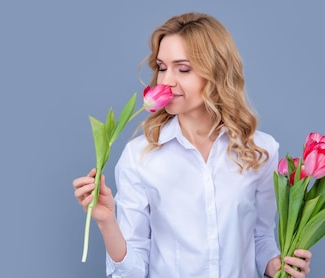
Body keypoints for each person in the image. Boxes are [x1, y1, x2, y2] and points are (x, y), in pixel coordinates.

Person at [73, 12, 312, 278]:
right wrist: (107, 222)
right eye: (162, 67)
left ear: (217, 72)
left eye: (183, 68)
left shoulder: (260, 151)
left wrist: (276, 264)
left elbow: (262, 237)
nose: (166, 81)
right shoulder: (140, 157)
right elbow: (131, 271)